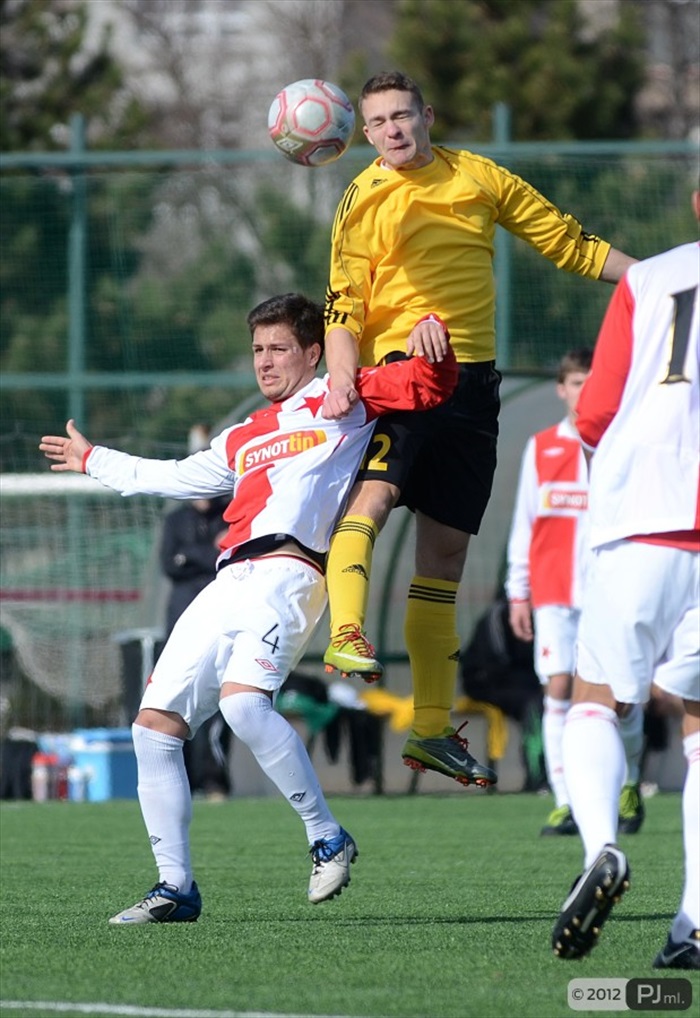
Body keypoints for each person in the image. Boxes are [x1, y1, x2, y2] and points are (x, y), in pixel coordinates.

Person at [39, 292, 458, 925]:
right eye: (258, 349)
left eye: (279, 348)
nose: (264, 361)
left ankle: (327, 836)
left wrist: (435, 338)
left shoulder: (342, 396)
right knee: (152, 729)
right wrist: (93, 459)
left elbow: (426, 386)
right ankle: (175, 887)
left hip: (291, 572)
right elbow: (171, 476)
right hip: (226, 580)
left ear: (314, 353)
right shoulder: (243, 434)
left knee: (242, 705)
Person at [321, 70, 636, 788]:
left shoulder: (479, 177)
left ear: (427, 116)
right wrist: (342, 377)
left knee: (446, 559)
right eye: (380, 122)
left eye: (403, 115)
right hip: (402, 375)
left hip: (474, 387)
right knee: (373, 499)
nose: (394, 130)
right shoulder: (363, 197)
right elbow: (343, 305)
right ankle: (346, 631)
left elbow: (570, 244)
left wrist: (654, 278)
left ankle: (431, 729)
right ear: (364, 134)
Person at [551, 193, 699, 968]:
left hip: (646, 514)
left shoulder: (650, 278)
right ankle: (694, 924)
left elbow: (594, 413)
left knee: (595, 697)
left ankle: (602, 848)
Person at [506, 349, 645, 835]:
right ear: (562, 389)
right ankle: (566, 800)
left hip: (610, 592)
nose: (584, 392)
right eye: (577, 383)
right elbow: (525, 522)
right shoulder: (542, 447)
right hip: (554, 592)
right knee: (558, 688)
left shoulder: (621, 443)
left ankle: (629, 783)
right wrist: (518, 591)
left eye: (593, 382)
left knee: (622, 693)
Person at [160, 494, 232, 800]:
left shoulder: (230, 512)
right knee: (178, 698)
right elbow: (170, 564)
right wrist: (210, 552)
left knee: (218, 702)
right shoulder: (175, 520)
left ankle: (214, 780)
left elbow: (231, 558)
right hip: (182, 622)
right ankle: (181, 779)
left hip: (221, 619)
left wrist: (191, 555)